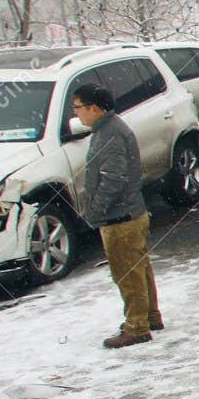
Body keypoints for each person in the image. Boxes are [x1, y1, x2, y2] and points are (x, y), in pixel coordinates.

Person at [75, 82, 162, 349]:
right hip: (129, 212)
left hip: (120, 217)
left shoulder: (109, 134)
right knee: (139, 268)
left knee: (128, 273)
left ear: (94, 108)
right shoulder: (108, 129)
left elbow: (114, 178)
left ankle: (137, 327)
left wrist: (95, 210)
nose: (76, 114)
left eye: (78, 108)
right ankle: (149, 316)